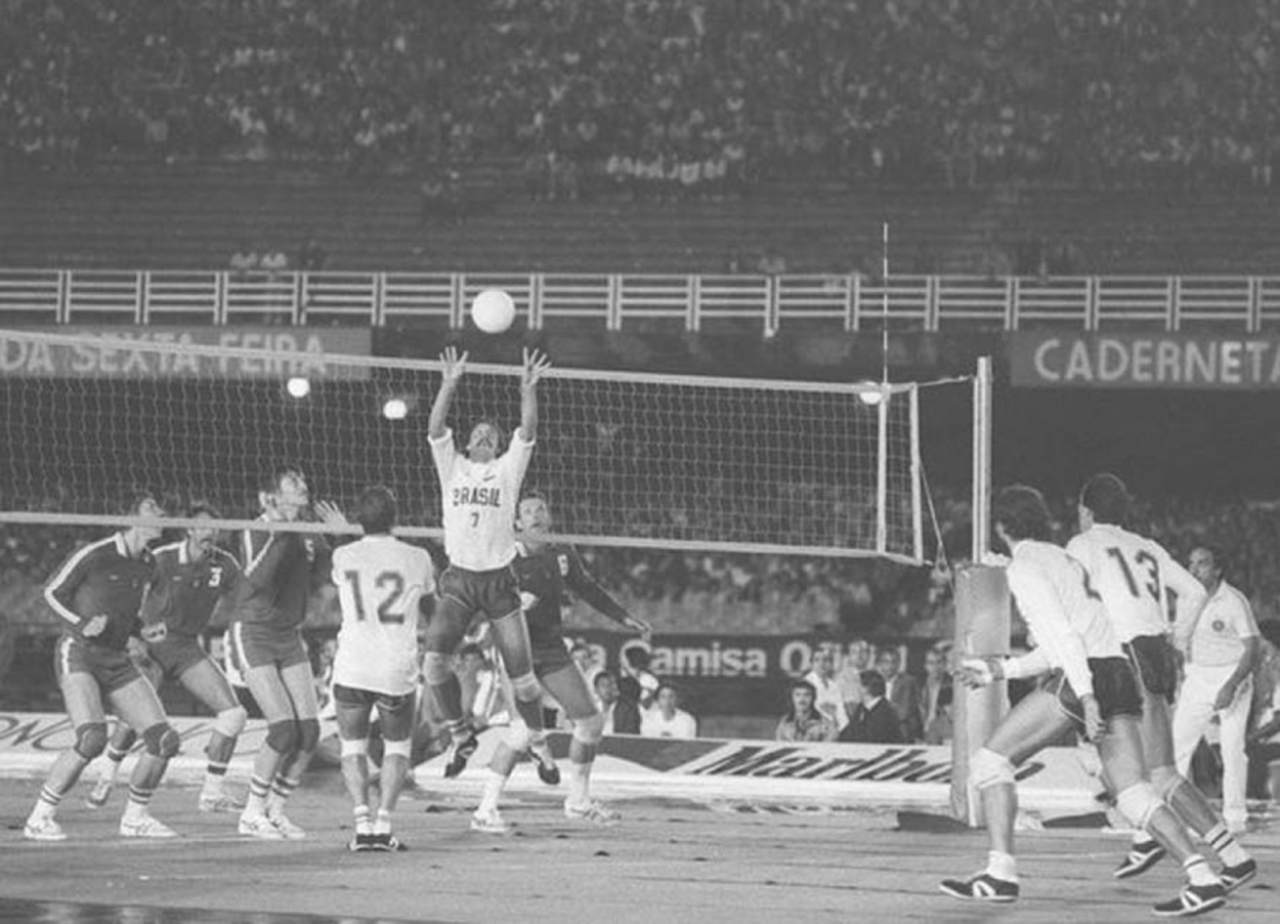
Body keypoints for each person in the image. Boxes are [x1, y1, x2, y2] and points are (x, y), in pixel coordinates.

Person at [941, 485, 1227, 917]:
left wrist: (1088, 698)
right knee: (1133, 794)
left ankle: (1000, 874)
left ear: (1001, 526)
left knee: (990, 764)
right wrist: (1001, 670)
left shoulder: (1027, 566)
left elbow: (1064, 640)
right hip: (1117, 671)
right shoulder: (1062, 557)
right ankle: (1203, 877)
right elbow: (1061, 643)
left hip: (1087, 677)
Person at [1067, 474, 1255, 887]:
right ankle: (1233, 856)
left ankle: (1157, 837)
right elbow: (1192, 591)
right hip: (1154, 655)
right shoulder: (1147, 546)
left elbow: (1076, 606)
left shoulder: (1082, 545)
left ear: (1085, 511)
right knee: (1163, 772)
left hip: (1120, 658)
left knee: (1111, 764)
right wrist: (1176, 637)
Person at [470, 492, 651, 833]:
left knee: (591, 723)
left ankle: (578, 802)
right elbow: (480, 598)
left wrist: (624, 618)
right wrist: (510, 606)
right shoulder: (501, 555)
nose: (536, 514)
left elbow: (588, 588)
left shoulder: (562, 552)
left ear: (549, 518)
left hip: (551, 647)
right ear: (517, 522)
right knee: (523, 730)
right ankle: (484, 810)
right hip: (515, 649)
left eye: (541, 509)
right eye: (528, 510)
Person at [423, 346, 553, 779]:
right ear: (467, 442)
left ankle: (538, 743)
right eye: (477, 433)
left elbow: (527, 430)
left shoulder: (507, 471)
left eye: (490, 436)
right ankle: (461, 736)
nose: (483, 437)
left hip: (498, 581)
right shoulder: (453, 466)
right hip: (459, 581)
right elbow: (435, 426)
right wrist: (449, 383)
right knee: (433, 664)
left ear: (497, 447)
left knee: (525, 681)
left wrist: (527, 389)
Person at [24, 492, 181, 841]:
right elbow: (51, 593)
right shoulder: (95, 554)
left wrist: (143, 630)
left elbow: (126, 611)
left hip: (116, 659)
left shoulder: (148, 563)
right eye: (152, 507)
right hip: (78, 652)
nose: (162, 513)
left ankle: (135, 818)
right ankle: (40, 816)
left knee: (165, 740)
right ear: (132, 516)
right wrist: (81, 624)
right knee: (93, 738)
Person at [86, 503, 248, 814]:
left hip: (187, 647)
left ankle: (212, 793)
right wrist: (133, 635)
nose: (210, 532)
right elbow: (129, 593)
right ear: (189, 529)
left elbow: (247, 598)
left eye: (215, 527)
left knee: (234, 715)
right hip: (153, 647)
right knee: (133, 719)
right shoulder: (162, 558)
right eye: (202, 526)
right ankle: (107, 773)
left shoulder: (225, 564)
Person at [230, 467, 347, 840]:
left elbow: (340, 570)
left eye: (303, 481)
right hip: (254, 632)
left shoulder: (308, 532)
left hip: (290, 635)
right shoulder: (256, 529)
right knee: (283, 729)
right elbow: (255, 582)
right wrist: (285, 532)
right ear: (273, 496)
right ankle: (251, 813)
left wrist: (341, 536)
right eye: (293, 483)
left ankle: (276, 811)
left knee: (309, 732)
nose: (304, 486)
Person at [329, 485, 435, 852]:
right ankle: (383, 825)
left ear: (359, 519)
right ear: (396, 517)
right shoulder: (418, 557)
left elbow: (352, 566)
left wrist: (343, 533)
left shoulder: (342, 554)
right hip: (395, 667)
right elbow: (433, 611)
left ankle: (361, 824)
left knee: (352, 747)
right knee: (396, 748)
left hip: (353, 665)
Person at [1172, 545, 1260, 835]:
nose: (1194, 569)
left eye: (1202, 564)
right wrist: (1181, 676)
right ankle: (1173, 813)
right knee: (1178, 746)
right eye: (1191, 563)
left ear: (1217, 569)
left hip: (1231, 673)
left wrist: (1231, 685)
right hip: (1197, 675)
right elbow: (1178, 641)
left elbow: (1252, 649)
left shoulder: (1234, 600)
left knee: (1233, 747)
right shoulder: (1187, 599)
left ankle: (1235, 815)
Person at [839, 671, 903, 744]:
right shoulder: (861, 708)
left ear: (865, 689)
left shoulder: (885, 712)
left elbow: (870, 740)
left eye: (856, 684)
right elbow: (848, 733)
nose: (853, 688)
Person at [878, 646, 923, 742]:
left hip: (902, 731)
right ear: (880, 664)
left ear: (899, 664)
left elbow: (904, 711)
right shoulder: (875, 682)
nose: (890, 666)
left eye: (893, 662)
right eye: (886, 662)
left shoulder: (908, 682)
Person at [802, 646, 849, 735]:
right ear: (811, 664)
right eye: (817, 660)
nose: (821, 664)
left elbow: (841, 712)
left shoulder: (834, 685)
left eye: (825, 660)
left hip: (836, 731)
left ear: (831, 664)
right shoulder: (805, 684)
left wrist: (844, 730)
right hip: (813, 731)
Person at [920, 644, 954, 745]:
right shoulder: (919, 684)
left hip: (943, 733)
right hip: (923, 732)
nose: (935, 667)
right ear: (925, 666)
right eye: (931, 663)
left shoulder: (952, 685)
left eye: (939, 662)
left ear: (944, 664)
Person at [595, 670, 641, 735]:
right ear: (596, 690)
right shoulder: (591, 708)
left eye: (611, 684)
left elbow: (630, 738)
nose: (608, 688)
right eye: (604, 685)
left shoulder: (629, 709)